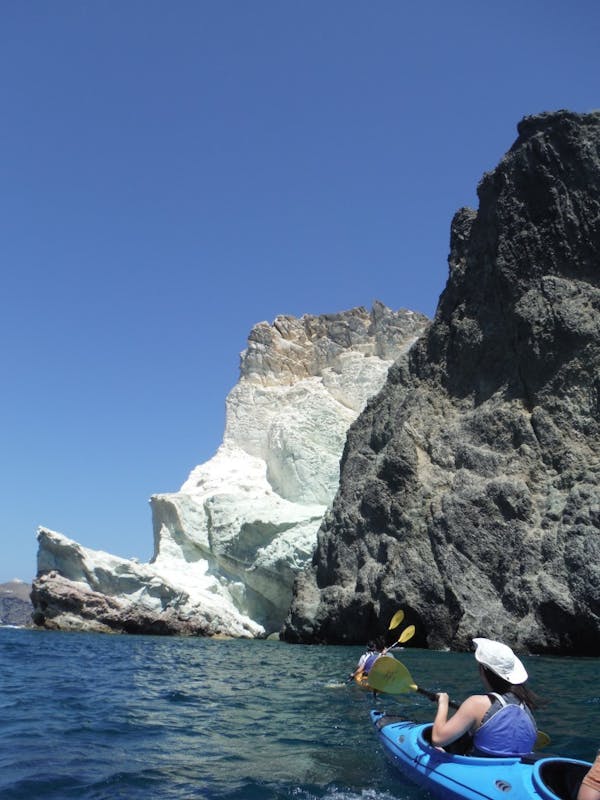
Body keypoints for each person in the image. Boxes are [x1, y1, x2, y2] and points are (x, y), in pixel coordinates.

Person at [432, 637, 542, 756]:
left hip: (478, 769)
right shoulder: (525, 706)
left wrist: (443, 703)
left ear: (483, 670)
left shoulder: (476, 703)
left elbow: (438, 739)